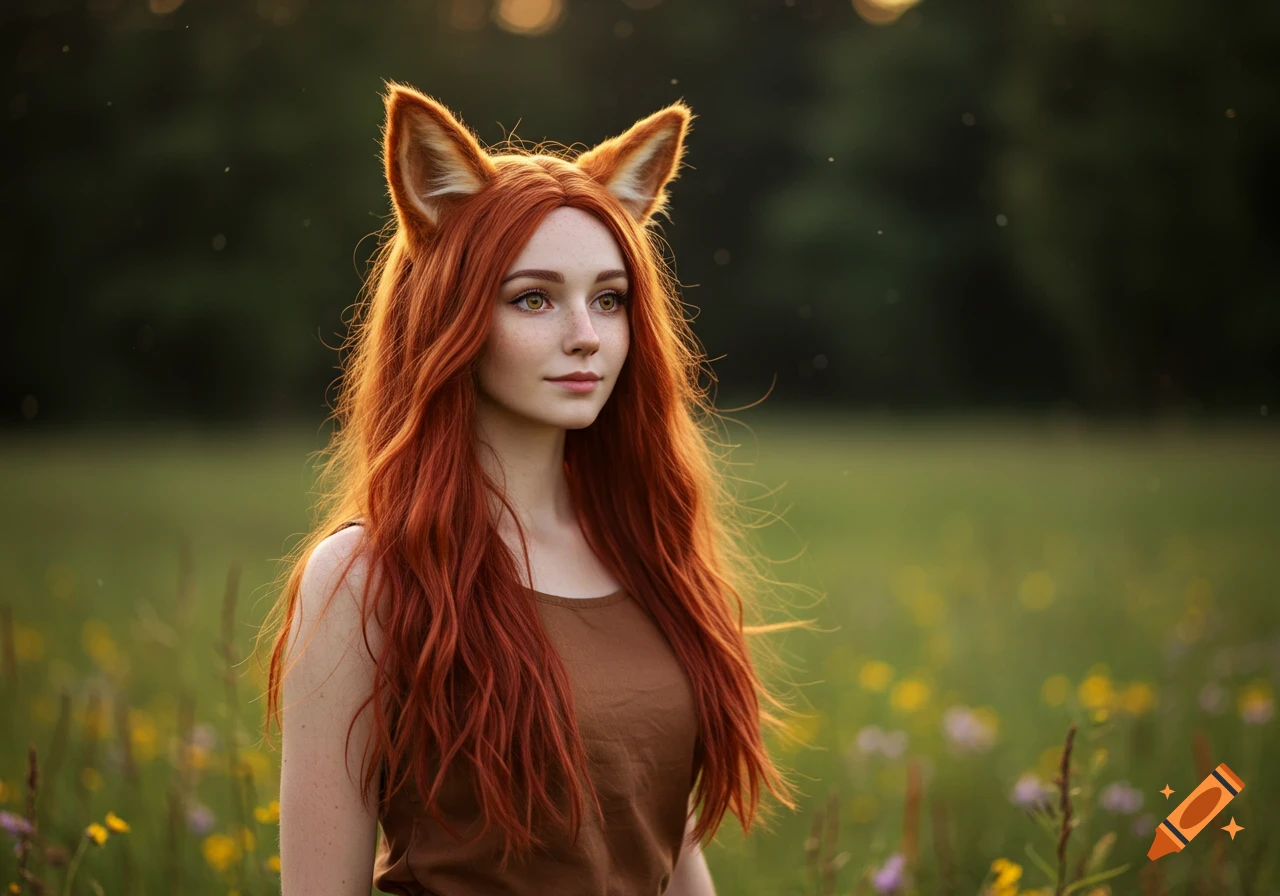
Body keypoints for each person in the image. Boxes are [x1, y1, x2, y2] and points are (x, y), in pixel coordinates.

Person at [255, 81, 810, 895]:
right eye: (535, 298)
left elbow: (661, 849)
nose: (586, 336)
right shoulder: (365, 577)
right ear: (449, 311)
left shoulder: (647, 555)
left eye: (610, 300)